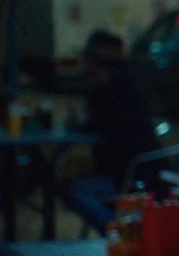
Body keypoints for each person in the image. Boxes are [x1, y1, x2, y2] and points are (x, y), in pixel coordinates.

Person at [64, 30, 164, 232]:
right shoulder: (128, 85)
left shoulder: (110, 91)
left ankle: (117, 231)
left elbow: (99, 129)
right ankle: (119, 230)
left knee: (74, 191)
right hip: (142, 170)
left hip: (130, 176)